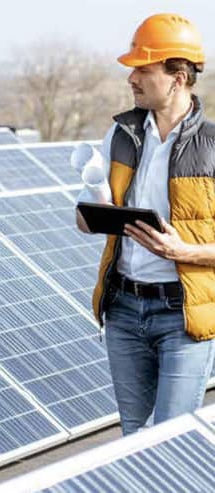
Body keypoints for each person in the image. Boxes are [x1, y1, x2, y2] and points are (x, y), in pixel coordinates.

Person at [76, 13, 215, 435]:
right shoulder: (120, 136)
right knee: (133, 440)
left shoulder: (212, 147)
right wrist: (93, 211)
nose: (132, 78)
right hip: (123, 310)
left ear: (178, 77)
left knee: (173, 438)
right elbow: (85, 220)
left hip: (184, 316)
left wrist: (183, 252)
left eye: (144, 69)